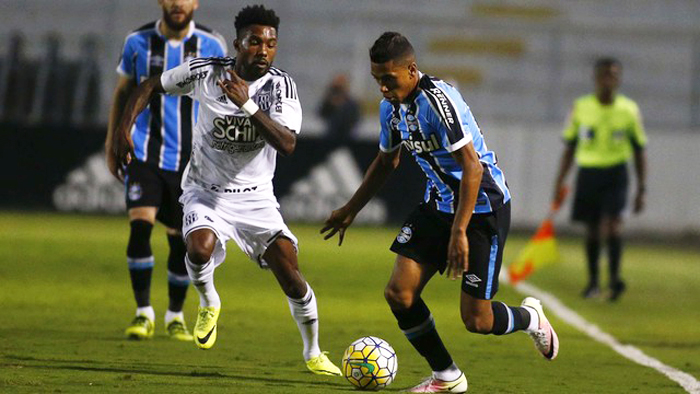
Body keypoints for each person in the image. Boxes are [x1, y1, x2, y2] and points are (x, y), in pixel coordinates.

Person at [322, 32, 559, 393]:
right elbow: (388, 160)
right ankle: (447, 377)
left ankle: (530, 318)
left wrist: (459, 232)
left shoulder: (437, 102)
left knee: (476, 319)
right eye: (377, 80)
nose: (383, 88)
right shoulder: (392, 107)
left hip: (482, 209)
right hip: (438, 206)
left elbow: (473, 168)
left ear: (411, 70)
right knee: (399, 293)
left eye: (388, 79)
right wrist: (350, 208)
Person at [112, 5, 341, 376]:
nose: (263, 50)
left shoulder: (281, 86)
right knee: (198, 248)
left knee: (292, 276)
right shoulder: (206, 72)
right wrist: (125, 128)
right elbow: (150, 85)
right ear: (238, 44)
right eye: (254, 42)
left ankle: (313, 352)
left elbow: (287, 144)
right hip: (206, 191)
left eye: (271, 43)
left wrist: (247, 104)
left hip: (256, 198)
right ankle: (208, 301)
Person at [105, 0, 227, 341]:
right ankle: (143, 312)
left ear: (196, 2)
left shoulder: (212, 45)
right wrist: (113, 140)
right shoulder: (137, 42)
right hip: (144, 151)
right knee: (139, 228)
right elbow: (122, 93)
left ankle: (175, 315)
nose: (178, 3)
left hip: (192, 162)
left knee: (180, 243)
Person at [553, 57, 647, 301]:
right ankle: (593, 282)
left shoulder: (629, 110)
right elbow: (570, 147)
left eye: (613, 75)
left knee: (613, 225)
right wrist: (560, 181)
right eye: (604, 74)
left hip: (616, 173)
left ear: (619, 79)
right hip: (588, 173)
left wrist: (642, 188)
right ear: (595, 78)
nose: (608, 79)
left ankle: (614, 280)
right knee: (593, 230)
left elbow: (639, 150)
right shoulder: (581, 107)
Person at [318, 73, 361, 144]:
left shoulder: (351, 103)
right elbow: (322, 113)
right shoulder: (329, 101)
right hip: (330, 136)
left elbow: (354, 118)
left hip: (347, 136)